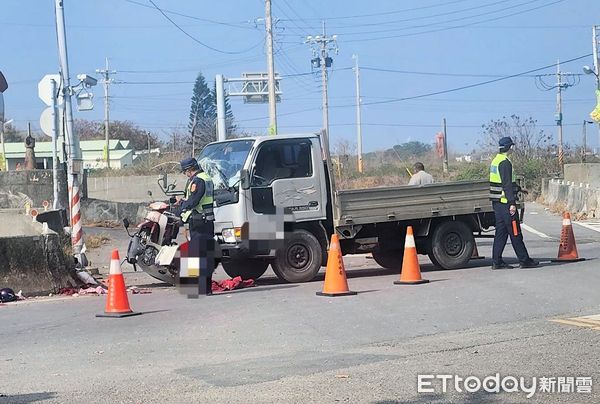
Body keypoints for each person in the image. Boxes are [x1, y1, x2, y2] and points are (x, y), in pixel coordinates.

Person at [489, 137, 538, 270]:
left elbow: (503, 182)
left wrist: (519, 188)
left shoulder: (495, 160)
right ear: (508, 147)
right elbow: (506, 184)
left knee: (501, 233)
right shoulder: (505, 162)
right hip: (506, 203)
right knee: (515, 231)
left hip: (497, 203)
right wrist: (512, 203)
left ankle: (497, 261)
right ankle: (524, 260)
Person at [178, 157, 215, 295]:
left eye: (185, 172)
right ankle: (206, 288)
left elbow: (193, 201)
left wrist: (181, 206)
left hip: (199, 222)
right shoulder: (207, 178)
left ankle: (201, 287)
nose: (185, 174)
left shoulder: (198, 181)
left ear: (189, 170)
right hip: (207, 221)